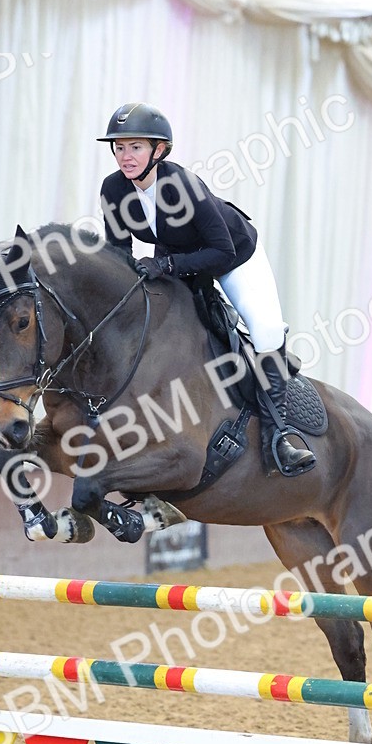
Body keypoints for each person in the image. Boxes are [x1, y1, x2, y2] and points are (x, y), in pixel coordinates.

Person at [98, 102, 315, 477]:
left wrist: (166, 266)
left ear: (159, 150)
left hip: (234, 256)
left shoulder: (183, 186)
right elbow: (119, 249)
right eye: (119, 147)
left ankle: (279, 437)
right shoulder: (114, 189)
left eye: (135, 147)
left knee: (265, 331)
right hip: (178, 257)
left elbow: (222, 251)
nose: (125, 156)